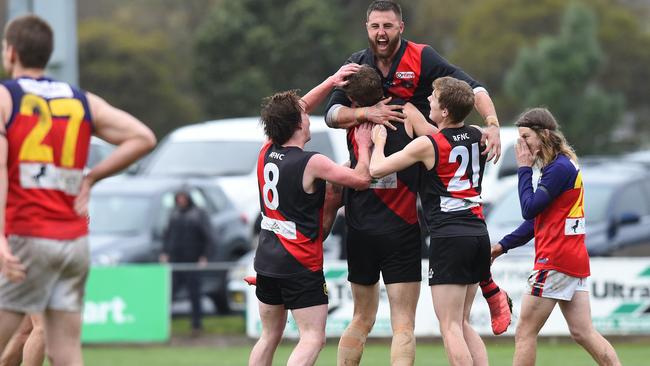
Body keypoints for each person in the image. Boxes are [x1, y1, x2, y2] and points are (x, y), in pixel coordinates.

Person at [325, 2, 511, 352]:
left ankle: (489, 287)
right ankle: (489, 286)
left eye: (388, 26)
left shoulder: (419, 68)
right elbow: (330, 114)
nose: (381, 33)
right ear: (366, 27)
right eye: (375, 26)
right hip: (395, 219)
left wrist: (494, 124)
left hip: (372, 216)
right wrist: (373, 113)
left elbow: (474, 88)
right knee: (405, 324)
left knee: (361, 318)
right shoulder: (408, 115)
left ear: (401, 27)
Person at [0, 14, 156, 366]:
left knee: (25, 332)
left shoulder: (6, 97)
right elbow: (143, 137)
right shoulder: (80, 99)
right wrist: (92, 177)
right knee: (67, 352)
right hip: (73, 241)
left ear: (11, 53)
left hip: (26, 235)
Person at [248, 63, 373, 366]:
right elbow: (362, 180)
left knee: (269, 336)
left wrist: (332, 81)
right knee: (312, 337)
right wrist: (365, 146)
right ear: (296, 125)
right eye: (303, 115)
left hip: (266, 259)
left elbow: (296, 108)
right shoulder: (312, 162)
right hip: (299, 263)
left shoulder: (266, 151)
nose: (307, 115)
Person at [370, 76, 492, 366]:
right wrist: (415, 114)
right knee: (462, 322)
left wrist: (378, 142)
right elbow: (441, 136)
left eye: (433, 99)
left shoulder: (427, 145)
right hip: (477, 233)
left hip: (450, 237)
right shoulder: (476, 134)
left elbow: (377, 169)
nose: (428, 101)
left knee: (449, 326)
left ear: (446, 111)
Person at [490, 108, 621, 366]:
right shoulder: (560, 165)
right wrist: (503, 246)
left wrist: (524, 169)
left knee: (525, 332)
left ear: (544, 134)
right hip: (572, 260)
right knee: (583, 332)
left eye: (526, 136)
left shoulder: (558, 168)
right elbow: (536, 221)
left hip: (555, 261)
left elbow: (528, 208)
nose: (521, 144)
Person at [160, 189, 213, 333]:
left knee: (194, 294)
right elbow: (167, 235)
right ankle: (163, 324)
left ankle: (197, 324)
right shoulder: (174, 214)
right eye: (179, 198)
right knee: (169, 293)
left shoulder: (198, 214)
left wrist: (205, 256)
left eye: (183, 198)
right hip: (177, 262)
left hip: (193, 262)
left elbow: (208, 236)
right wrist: (165, 252)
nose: (181, 201)